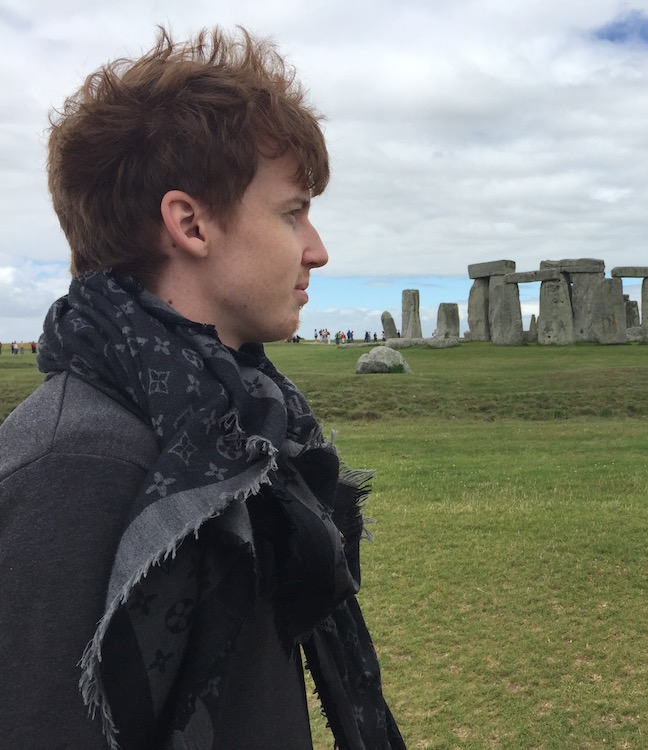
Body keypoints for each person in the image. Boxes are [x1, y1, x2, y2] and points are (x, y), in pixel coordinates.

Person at [0, 27, 406, 750]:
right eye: (292, 211)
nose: (316, 249)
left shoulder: (229, 434)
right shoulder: (78, 464)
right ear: (189, 223)